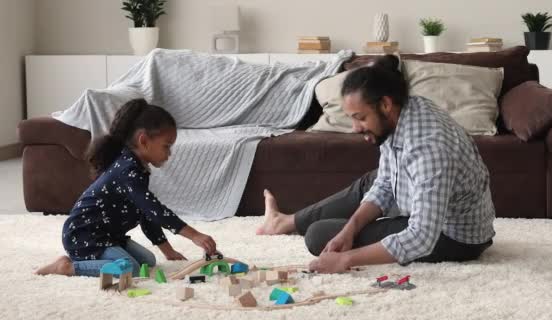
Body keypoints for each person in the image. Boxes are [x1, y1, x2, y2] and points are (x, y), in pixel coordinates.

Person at [257, 55, 496, 273]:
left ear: (385, 104)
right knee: (370, 183)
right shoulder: (402, 114)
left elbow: (421, 238)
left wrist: (346, 259)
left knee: (319, 235)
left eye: (360, 118)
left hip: (453, 237)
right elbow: (384, 184)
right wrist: (350, 228)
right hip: (427, 205)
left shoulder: (429, 147)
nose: (355, 128)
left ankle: (290, 224)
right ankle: (283, 222)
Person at [35, 99, 217, 277]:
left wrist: (168, 251)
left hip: (109, 236)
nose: (169, 154)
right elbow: (154, 210)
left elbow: (145, 214)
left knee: (148, 261)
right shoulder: (127, 170)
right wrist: (194, 235)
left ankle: (106, 257)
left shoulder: (137, 168)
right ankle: (66, 267)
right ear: (143, 140)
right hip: (85, 236)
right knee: (131, 269)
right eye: (166, 146)